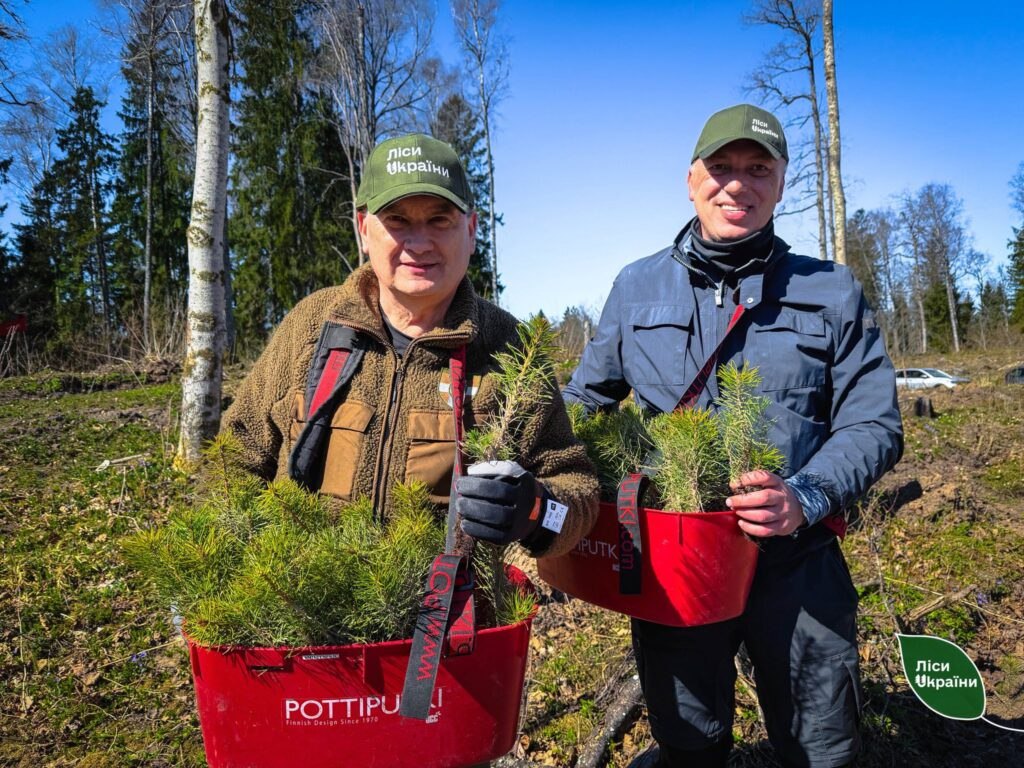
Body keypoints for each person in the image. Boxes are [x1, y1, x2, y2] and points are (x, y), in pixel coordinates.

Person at [563, 104, 903, 768]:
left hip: (798, 563)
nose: (737, 184)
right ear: (691, 179)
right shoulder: (636, 287)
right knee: (689, 742)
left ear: (781, 184)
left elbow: (874, 423)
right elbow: (584, 407)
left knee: (824, 748)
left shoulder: (830, 291)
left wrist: (806, 494)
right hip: (676, 564)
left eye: (758, 169)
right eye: (721, 168)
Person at [222, 132, 598, 560]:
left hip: (449, 620)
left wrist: (534, 510)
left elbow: (577, 489)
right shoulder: (313, 325)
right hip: (300, 613)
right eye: (397, 220)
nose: (419, 243)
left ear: (472, 231)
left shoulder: (510, 347)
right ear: (364, 229)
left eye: (440, 220)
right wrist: (220, 576)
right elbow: (233, 458)